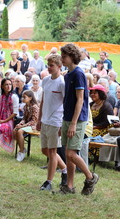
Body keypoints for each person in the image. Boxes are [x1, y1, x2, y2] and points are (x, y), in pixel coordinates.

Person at [60, 43, 98, 195]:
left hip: (78, 119)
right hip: (67, 117)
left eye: (64, 56)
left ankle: (90, 177)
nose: (62, 59)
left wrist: (74, 123)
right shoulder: (68, 74)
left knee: (71, 154)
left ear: (72, 57)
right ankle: (69, 186)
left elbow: (80, 99)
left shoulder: (78, 74)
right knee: (68, 154)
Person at [36, 54, 67, 191]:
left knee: (53, 151)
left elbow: (66, 104)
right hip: (45, 120)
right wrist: (39, 119)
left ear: (59, 67)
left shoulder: (62, 83)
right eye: (48, 65)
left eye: (52, 65)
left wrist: (62, 123)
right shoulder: (46, 80)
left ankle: (48, 182)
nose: (49, 68)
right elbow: (43, 100)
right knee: (45, 150)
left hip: (56, 121)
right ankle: (64, 169)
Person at [14, 90, 39, 162]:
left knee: (19, 131)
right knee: (15, 130)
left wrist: (22, 126)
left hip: (34, 126)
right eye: (22, 97)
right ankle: (22, 148)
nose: (22, 99)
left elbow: (34, 121)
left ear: (30, 98)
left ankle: (21, 152)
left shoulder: (34, 107)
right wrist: (20, 124)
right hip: (27, 125)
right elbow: (24, 118)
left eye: (24, 97)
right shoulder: (25, 107)